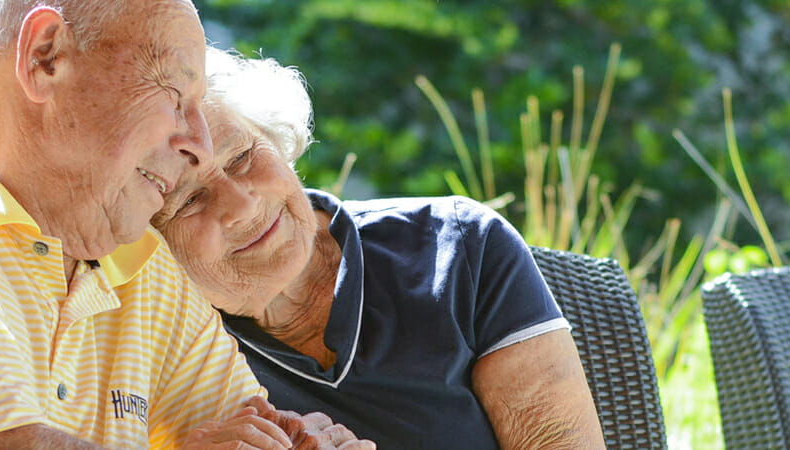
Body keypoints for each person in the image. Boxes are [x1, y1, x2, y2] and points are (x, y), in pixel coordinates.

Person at [0, 2, 373, 449]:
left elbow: (248, 428)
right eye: (173, 92)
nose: (200, 142)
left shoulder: (143, 272)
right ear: (45, 59)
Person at [151, 46, 607, 449]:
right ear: (146, 232)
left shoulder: (458, 246)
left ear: (273, 137)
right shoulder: (157, 343)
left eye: (242, 157)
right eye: (188, 200)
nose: (242, 205)